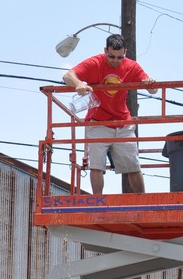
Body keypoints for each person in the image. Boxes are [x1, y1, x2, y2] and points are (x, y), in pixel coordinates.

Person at [63, 33, 157, 195]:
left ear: (125, 52)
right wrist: (78, 84)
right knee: (96, 165)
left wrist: (150, 83)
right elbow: (67, 76)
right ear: (105, 50)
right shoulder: (95, 62)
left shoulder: (132, 66)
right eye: (111, 56)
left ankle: (143, 201)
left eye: (119, 57)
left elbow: (153, 89)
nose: (115, 60)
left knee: (133, 166)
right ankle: (97, 201)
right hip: (98, 121)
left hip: (122, 123)